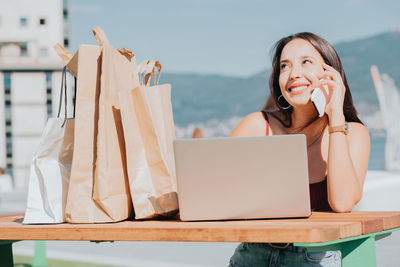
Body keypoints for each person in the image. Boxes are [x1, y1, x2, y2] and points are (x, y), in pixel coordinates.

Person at [228, 32, 370, 266]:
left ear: (331, 72)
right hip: (251, 256)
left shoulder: (352, 133)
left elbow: (343, 203)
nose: (294, 74)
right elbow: (214, 193)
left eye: (306, 62)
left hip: (315, 258)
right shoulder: (256, 125)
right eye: (285, 66)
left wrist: (335, 117)